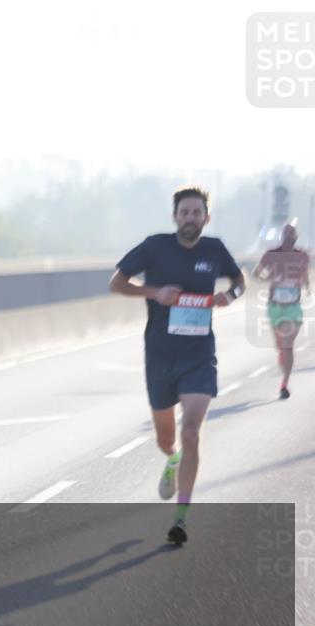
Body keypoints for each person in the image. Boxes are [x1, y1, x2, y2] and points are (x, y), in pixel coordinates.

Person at [109, 186, 246, 545]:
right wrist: (154, 293)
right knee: (168, 440)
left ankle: (181, 519)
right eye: (184, 213)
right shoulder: (155, 246)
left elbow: (240, 280)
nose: (190, 218)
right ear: (175, 217)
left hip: (199, 355)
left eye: (196, 213)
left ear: (206, 217)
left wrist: (228, 297)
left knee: (191, 433)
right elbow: (116, 282)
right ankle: (172, 460)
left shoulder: (214, 250)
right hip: (160, 355)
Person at [252, 223, 310, 399]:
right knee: (281, 345)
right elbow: (256, 274)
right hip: (274, 306)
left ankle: (284, 383)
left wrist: (305, 285)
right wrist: (269, 278)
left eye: (292, 234)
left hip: (293, 307)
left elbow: (304, 274)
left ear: (296, 237)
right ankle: (282, 356)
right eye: (286, 234)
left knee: (288, 344)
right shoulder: (271, 255)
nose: (289, 237)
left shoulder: (302, 256)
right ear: (281, 236)